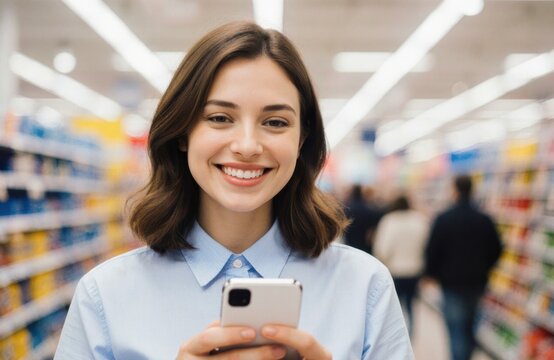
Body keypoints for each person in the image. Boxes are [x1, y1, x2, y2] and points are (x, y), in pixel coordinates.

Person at [54, 21, 413, 359]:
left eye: (275, 122)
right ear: (182, 132)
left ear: (302, 139)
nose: (247, 145)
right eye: (220, 118)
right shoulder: (105, 295)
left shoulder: (365, 286)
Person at [424, 175, 502, 360]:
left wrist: (432, 274)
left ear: (455, 191)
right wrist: (485, 267)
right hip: (477, 282)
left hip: (451, 283)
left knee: (456, 330)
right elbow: (497, 248)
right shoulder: (484, 219)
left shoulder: (444, 219)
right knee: (470, 328)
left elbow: (432, 249)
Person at [373, 194, 428, 336]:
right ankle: (410, 336)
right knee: (410, 305)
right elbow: (426, 246)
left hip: (395, 271)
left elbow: (382, 249)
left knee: (394, 307)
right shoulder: (419, 220)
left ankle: (397, 337)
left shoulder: (389, 221)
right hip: (415, 270)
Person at [343, 184, 384, 254]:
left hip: (349, 243)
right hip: (364, 245)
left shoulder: (347, 208)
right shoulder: (368, 209)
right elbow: (371, 231)